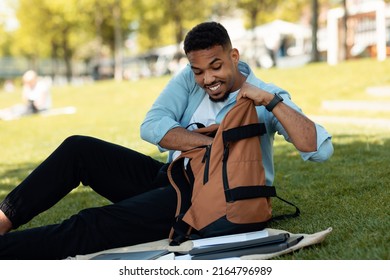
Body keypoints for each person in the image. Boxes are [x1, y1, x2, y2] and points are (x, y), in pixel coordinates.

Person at [0, 22, 333, 259]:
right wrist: (208, 146)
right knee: (78, 149)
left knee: (92, 223)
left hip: (207, 197)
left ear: (234, 55)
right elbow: (152, 125)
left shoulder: (267, 95)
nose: (208, 79)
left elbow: (319, 148)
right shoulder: (190, 80)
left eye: (215, 67)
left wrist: (271, 103)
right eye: (199, 70)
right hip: (171, 176)